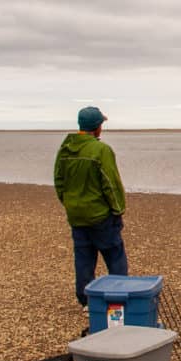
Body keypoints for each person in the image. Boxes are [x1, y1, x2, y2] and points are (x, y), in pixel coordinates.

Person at [54, 106, 128, 311]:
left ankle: (86, 300)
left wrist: (69, 202)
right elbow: (110, 182)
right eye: (101, 124)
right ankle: (119, 296)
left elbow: (59, 181)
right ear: (97, 127)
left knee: (84, 257)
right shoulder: (101, 150)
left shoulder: (65, 148)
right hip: (100, 214)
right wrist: (118, 209)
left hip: (76, 214)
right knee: (115, 254)